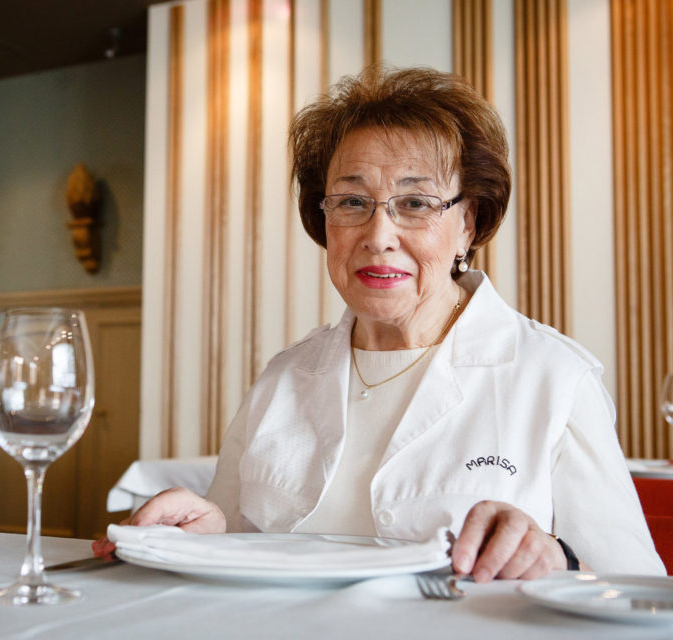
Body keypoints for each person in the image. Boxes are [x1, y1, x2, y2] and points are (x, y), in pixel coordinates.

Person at [94, 65, 664, 580]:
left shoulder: (554, 378)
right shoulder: (283, 377)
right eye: (350, 201)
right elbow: (245, 550)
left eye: (415, 203)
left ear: (470, 222)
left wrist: (559, 559)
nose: (378, 235)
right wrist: (204, 537)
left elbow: (640, 594)